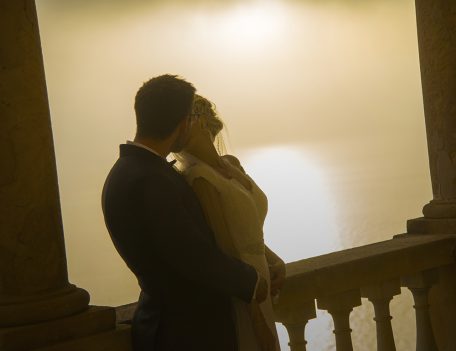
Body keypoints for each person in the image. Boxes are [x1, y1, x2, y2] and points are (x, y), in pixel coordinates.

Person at [101, 75, 269, 351]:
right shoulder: (152, 179)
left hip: (166, 323)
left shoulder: (125, 172)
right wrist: (251, 282)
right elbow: (192, 254)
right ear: (183, 123)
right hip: (185, 332)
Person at [176, 94, 286, 351]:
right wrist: (256, 318)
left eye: (184, 120)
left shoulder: (232, 164)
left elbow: (248, 229)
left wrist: (273, 259)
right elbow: (226, 248)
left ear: (200, 121)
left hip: (262, 276)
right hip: (244, 289)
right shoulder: (199, 178)